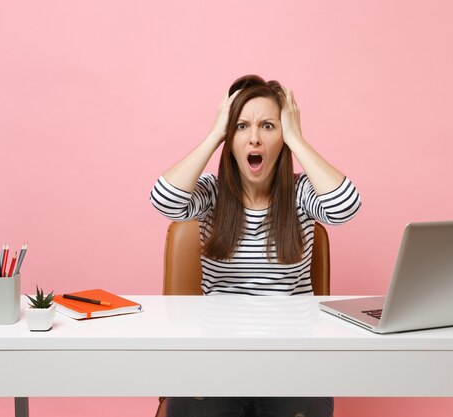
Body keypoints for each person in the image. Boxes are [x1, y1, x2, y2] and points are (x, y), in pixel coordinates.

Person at [150, 75, 361, 417]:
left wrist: (296, 138)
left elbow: (345, 206)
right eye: (241, 127)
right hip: (217, 359)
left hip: (292, 361)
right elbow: (164, 200)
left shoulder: (301, 193)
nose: (254, 139)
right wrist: (215, 132)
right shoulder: (211, 192)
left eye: (267, 126)